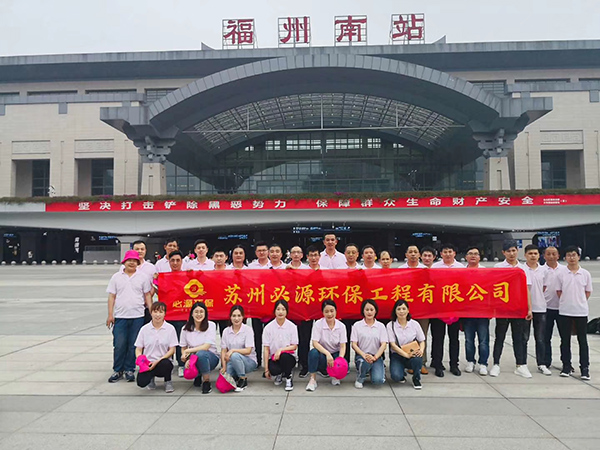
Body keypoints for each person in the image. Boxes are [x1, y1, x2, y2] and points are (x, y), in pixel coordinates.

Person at [106, 250, 153, 383]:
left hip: (138, 316)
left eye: (134, 261)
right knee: (119, 344)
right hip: (120, 316)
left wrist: (152, 311)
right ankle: (117, 369)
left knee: (134, 344)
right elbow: (112, 296)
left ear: (138, 263)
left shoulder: (143, 277)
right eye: (129, 260)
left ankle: (129, 369)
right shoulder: (116, 277)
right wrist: (110, 314)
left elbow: (147, 295)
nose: (132, 263)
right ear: (124, 262)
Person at [491, 240, 533, 378]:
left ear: (517, 251)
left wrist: (529, 309)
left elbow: (526, 289)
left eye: (514, 250)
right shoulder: (498, 267)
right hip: (503, 309)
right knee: (500, 337)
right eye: (508, 251)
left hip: (518, 308)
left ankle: (521, 365)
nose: (511, 253)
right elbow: (493, 288)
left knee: (518, 338)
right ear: (503, 253)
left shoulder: (523, 268)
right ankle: (496, 364)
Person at [556, 246, 592, 380]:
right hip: (565, 311)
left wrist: (579, 302)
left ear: (578, 257)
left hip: (581, 311)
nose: (571, 258)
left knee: (582, 340)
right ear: (565, 257)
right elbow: (559, 292)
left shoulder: (585, 274)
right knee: (565, 340)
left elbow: (587, 292)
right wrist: (568, 301)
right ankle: (566, 366)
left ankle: (585, 368)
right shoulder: (561, 274)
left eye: (574, 255)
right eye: (569, 255)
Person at [430, 243, 465, 377]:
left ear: (454, 253)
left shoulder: (461, 268)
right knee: (438, 338)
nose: (448, 254)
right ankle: (438, 364)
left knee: (454, 338)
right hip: (439, 309)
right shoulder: (435, 267)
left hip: (455, 309)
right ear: (441, 254)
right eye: (445, 252)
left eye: (450, 251)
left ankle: (454, 364)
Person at [134, 301, 178, 393]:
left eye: (161, 312)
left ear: (165, 313)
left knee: (166, 364)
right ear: (151, 313)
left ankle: (168, 381)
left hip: (162, 361)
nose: (158, 315)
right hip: (148, 363)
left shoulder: (170, 329)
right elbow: (138, 348)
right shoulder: (144, 329)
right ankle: (151, 379)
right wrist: (141, 359)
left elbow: (172, 350)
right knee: (141, 382)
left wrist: (157, 361)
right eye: (155, 312)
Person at [306, 299, 347, 391]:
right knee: (313, 353)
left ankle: (335, 375)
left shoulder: (341, 326)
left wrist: (340, 361)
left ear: (336, 311)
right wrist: (327, 354)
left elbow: (342, 346)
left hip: (335, 354)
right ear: (323, 313)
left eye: (332, 311)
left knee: (341, 357)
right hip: (323, 354)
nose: (329, 314)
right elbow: (315, 343)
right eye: (326, 311)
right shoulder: (318, 324)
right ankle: (312, 379)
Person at [400, 245, 428, 374]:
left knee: (422, 336)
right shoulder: (400, 270)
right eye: (410, 252)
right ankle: (408, 362)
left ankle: (422, 363)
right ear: (406, 255)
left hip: (422, 309)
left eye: (415, 252)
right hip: (404, 310)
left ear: (419, 255)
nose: (413, 254)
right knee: (406, 337)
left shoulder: (425, 270)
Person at [180, 302, 219, 394]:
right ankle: (198, 375)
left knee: (201, 354)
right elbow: (183, 347)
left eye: (201, 312)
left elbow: (206, 347)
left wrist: (188, 351)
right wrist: (186, 359)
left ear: (205, 314)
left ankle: (206, 381)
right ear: (192, 314)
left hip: (211, 358)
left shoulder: (211, 325)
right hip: (193, 357)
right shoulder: (185, 328)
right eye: (196, 312)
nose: (199, 314)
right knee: (187, 373)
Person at [462, 246, 490, 376]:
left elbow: (490, 291)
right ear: (466, 257)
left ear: (479, 257)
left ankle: (483, 363)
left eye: (476, 254)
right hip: (467, 312)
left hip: (482, 312)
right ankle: (470, 361)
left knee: (483, 340)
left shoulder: (486, 272)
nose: (473, 256)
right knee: (469, 340)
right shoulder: (461, 272)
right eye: (470, 253)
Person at [524, 244, 551, 376]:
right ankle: (522, 363)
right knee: (524, 338)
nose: (533, 256)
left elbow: (544, 287)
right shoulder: (521, 270)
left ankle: (542, 363)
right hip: (525, 309)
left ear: (539, 255)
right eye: (530, 253)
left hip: (540, 307)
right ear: (525, 255)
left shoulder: (544, 270)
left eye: (535, 253)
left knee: (540, 338)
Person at [285, 246, 312, 378]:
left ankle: (304, 364)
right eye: (293, 252)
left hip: (304, 310)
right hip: (289, 310)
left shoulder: (308, 270)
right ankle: (287, 364)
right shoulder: (283, 269)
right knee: (287, 338)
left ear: (302, 255)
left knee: (304, 339)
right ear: (290, 254)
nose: (296, 254)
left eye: (298, 252)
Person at [387, 299, 425, 389]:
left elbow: (422, 340)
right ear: (395, 311)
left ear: (408, 310)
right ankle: (401, 372)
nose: (401, 311)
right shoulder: (390, 325)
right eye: (399, 309)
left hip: (412, 352)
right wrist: (406, 355)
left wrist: (421, 350)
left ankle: (416, 378)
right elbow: (393, 345)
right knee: (396, 376)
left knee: (417, 359)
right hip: (397, 354)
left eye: (404, 309)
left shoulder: (414, 324)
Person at [351, 299, 388, 388]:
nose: (369, 312)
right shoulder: (357, 325)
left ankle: (372, 369)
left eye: (371, 309)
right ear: (363, 311)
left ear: (375, 311)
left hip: (376, 356)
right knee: (365, 363)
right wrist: (364, 355)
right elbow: (354, 344)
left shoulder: (380, 326)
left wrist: (375, 357)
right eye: (367, 310)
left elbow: (384, 345)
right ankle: (360, 377)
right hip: (362, 356)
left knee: (378, 381)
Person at [263, 300, 298, 391]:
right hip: (274, 358)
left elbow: (294, 346)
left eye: (283, 309)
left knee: (284, 357)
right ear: (274, 311)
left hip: (288, 357)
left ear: (287, 311)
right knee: (274, 370)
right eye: (278, 309)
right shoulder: (268, 328)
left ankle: (288, 377)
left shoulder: (292, 326)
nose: (280, 312)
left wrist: (280, 350)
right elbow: (266, 349)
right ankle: (279, 374)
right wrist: (266, 369)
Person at [542, 246, 568, 369]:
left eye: (554, 254)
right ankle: (546, 361)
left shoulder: (565, 270)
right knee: (546, 337)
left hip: (562, 309)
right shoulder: (541, 270)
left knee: (565, 337)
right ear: (544, 256)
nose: (551, 256)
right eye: (548, 254)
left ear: (558, 256)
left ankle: (566, 362)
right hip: (546, 308)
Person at [220, 305, 257, 391]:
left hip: (248, 361)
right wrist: (224, 367)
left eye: (239, 316)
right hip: (232, 362)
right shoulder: (226, 331)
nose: (236, 318)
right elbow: (223, 350)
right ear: (230, 317)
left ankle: (242, 379)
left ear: (243, 317)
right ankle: (237, 374)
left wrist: (232, 350)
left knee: (235, 355)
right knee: (223, 383)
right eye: (234, 316)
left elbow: (248, 350)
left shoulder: (247, 330)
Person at [247, 241, 271, 367]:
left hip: (271, 305)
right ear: (256, 253)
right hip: (256, 305)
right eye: (259, 251)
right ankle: (258, 359)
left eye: (264, 250)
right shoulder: (250, 267)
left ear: (268, 252)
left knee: (270, 334)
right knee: (257, 333)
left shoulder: (275, 266)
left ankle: (270, 359)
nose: (262, 253)